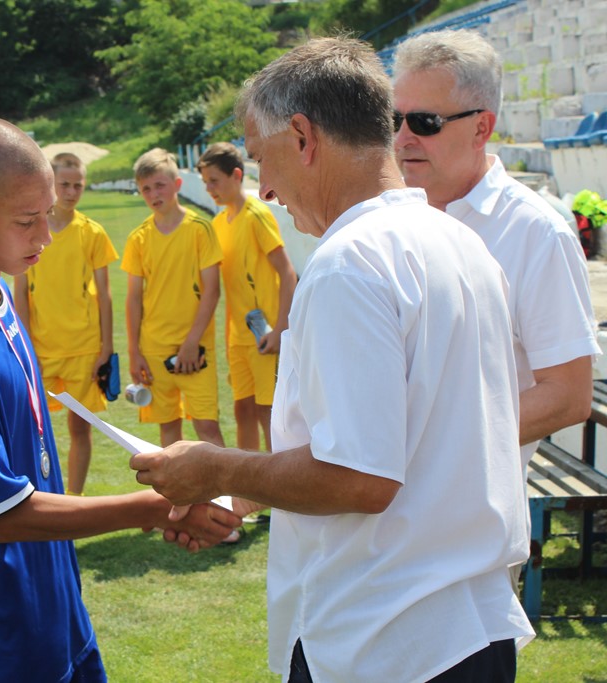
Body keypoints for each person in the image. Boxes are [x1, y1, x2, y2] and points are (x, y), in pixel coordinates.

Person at [130, 38, 534, 682]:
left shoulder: (351, 262)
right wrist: (241, 492)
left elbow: (358, 478)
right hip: (464, 628)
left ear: (303, 136)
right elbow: (412, 447)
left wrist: (215, 469)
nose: (264, 186)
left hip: (385, 641)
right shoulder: (459, 242)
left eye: (263, 159)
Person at [0, 117, 242, 682]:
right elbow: (2, 516)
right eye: (28, 222)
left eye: (47, 216)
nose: (44, 238)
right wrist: (156, 507)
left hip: (51, 605)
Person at [392, 30, 597, 465]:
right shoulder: (386, 215)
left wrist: (427, 445)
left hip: (469, 524)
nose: (403, 138)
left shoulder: (537, 234)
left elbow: (568, 396)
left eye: (425, 122)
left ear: (482, 127)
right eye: (394, 120)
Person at [13, 153, 118, 495]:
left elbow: (105, 295)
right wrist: (25, 345)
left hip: (84, 349)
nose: (72, 191)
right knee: (29, 429)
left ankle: (74, 500)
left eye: (78, 185)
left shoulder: (92, 232)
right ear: (50, 185)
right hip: (40, 348)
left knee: (80, 429)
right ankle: (34, 497)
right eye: (65, 184)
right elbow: (21, 294)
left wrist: (106, 348)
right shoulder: (31, 232)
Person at [196, 142, 297, 452]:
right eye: (205, 183)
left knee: (269, 413)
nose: (210, 189)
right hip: (238, 337)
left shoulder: (256, 214)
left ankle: (279, 486)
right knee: (242, 410)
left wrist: (281, 328)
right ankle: (248, 493)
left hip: (264, 335)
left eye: (215, 180)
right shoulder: (217, 223)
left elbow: (287, 272)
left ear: (237, 175)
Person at [122, 148, 224, 448]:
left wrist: (192, 342)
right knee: (168, 430)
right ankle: (175, 498)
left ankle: (230, 496)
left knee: (207, 427)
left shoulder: (200, 230)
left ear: (177, 184)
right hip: (153, 349)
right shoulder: (138, 238)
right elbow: (133, 299)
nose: (154, 193)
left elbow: (212, 291)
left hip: (196, 348)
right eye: (146, 189)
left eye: (159, 185)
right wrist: (134, 352)